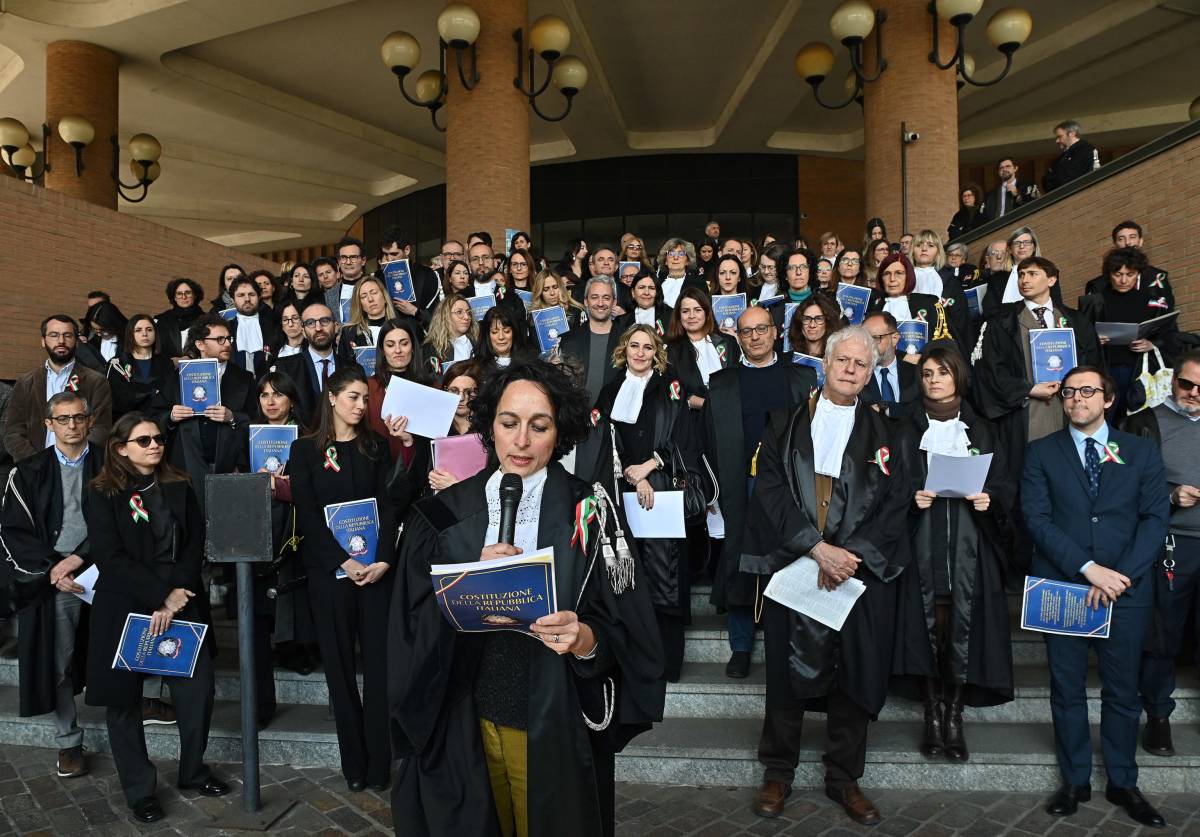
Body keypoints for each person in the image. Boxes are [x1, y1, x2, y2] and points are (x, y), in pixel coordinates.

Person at [387, 359, 665, 837]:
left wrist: (586, 640)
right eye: (508, 423)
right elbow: (407, 627)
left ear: (560, 433)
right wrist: (465, 585)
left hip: (553, 723)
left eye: (539, 426)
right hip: (463, 723)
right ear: (488, 423)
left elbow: (628, 626)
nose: (521, 442)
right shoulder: (442, 516)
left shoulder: (591, 511)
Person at [741, 325, 911, 825]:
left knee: (854, 675)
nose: (852, 370)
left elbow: (895, 505)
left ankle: (844, 778)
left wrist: (846, 556)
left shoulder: (889, 434)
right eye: (844, 362)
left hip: (854, 572)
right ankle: (778, 772)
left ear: (870, 372)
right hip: (796, 562)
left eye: (862, 365)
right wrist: (815, 548)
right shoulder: (783, 424)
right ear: (827, 363)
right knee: (784, 678)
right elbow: (769, 491)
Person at [1021, 366, 1170, 827]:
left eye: (1087, 391)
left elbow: (1154, 518)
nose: (1077, 399)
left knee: (1123, 691)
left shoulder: (1141, 452)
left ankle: (1124, 781)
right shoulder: (1040, 453)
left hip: (1125, 591)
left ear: (1107, 399)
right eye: (1069, 393)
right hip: (1064, 586)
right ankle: (1075, 780)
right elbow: (1037, 519)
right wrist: (1088, 570)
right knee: (1066, 688)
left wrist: (1118, 575)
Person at [85, 412, 228, 823]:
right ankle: (140, 789)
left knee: (198, 690)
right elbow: (109, 557)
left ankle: (193, 770)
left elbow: (196, 540)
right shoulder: (102, 492)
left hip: (181, 601)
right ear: (120, 447)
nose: (154, 446)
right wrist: (159, 596)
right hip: (125, 605)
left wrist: (175, 596)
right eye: (144, 440)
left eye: (158, 439)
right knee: (123, 704)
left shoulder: (179, 484)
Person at [892, 347, 1014, 762]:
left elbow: (1003, 481)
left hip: (969, 544)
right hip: (921, 541)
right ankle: (931, 713)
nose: (933, 380)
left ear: (958, 377)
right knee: (924, 625)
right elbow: (885, 482)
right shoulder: (903, 427)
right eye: (926, 373)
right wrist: (911, 498)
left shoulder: (982, 428)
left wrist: (989, 499)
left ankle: (955, 716)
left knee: (963, 628)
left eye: (942, 372)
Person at [288, 367, 396, 791]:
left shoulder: (374, 446)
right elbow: (308, 513)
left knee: (379, 670)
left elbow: (388, 506)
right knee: (339, 670)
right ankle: (354, 764)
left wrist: (383, 559)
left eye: (364, 398)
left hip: (375, 573)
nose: (359, 404)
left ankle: (378, 763)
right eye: (352, 396)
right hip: (329, 574)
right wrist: (342, 560)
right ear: (331, 398)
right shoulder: (304, 451)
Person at [705, 306, 818, 679]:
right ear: (737, 337)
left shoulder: (801, 378)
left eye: (761, 329)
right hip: (739, 485)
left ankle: (787, 643)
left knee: (791, 557)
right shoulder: (722, 382)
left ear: (776, 332)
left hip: (791, 485)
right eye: (746, 331)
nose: (754, 336)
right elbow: (707, 440)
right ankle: (740, 646)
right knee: (740, 561)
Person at [0, 392, 104, 780]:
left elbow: (126, 521)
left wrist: (83, 560)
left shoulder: (112, 463)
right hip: (57, 579)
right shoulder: (28, 471)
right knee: (59, 664)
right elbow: (13, 531)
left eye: (79, 417)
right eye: (63, 419)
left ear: (90, 420)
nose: (72, 425)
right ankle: (68, 742)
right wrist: (53, 571)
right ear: (49, 424)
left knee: (121, 654)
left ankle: (134, 725)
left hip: (107, 570)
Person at [591, 324, 699, 683]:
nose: (640, 352)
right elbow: (603, 444)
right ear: (624, 349)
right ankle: (635, 660)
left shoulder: (672, 387)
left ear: (656, 352)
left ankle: (668, 663)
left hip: (664, 489)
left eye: (647, 347)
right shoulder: (609, 392)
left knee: (665, 576)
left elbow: (684, 436)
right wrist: (631, 477)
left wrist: (651, 468)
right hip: (621, 493)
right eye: (634, 346)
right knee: (629, 575)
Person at [1123, 351, 1200, 758]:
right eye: (1186, 384)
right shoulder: (1143, 423)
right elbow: (1123, 488)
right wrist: (1170, 496)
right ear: (1172, 380)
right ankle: (1157, 715)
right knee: (1163, 633)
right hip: (1172, 542)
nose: (1193, 394)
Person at [251, 372, 320, 682]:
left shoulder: (308, 438)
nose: (271, 401)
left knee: (294, 589)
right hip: (258, 523)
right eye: (265, 395)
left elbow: (313, 487)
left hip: (295, 529)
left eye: (278, 394)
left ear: (291, 399)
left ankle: (296, 647)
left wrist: (280, 487)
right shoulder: (245, 436)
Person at [162, 315, 256, 510]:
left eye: (229, 339)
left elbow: (255, 421)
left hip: (227, 464)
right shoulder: (179, 374)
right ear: (200, 344)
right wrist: (171, 416)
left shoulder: (244, 378)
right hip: (185, 464)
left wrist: (232, 417)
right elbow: (155, 414)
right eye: (219, 340)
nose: (227, 344)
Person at [1079, 247, 1178, 422]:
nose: (1123, 280)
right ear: (1109, 274)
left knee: (1137, 420)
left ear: (1138, 274)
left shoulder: (1151, 298)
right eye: (1118, 274)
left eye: (1130, 274)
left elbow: (1169, 333)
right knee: (1103, 418)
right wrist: (1094, 340)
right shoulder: (1095, 300)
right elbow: (1081, 332)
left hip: (1138, 370)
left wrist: (1152, 344)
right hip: (1104, 369)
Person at [5, 315, 113, 464]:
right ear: (43, 341)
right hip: (35, 468)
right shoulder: (26, 382)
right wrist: (36, 462)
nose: (61, 341)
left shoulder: (97, 381)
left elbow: (101, 429)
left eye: (67, 335)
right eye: (54, 335)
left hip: (79, 466)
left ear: (76, 341)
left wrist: (72, 460)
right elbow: (13, 432)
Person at [366, 319, 432, 465]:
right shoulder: (369, 387)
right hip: (382, 468)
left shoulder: (431, 386)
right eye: (390, 345)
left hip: (425, 468)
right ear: (382, 350)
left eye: (404, 343)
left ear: (413, 347)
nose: (398, 350)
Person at [665, 287, 740, 411]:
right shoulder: (671, 350)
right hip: (691, 419)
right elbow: (673, 390)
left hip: (730, 413)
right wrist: (708, 405)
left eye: (697, 310)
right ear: (679, 316)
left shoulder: (729, 343)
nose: (691, 316)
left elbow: (738, 380)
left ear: (706, 312)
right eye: (685, 311)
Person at [272, 303, 344, 424]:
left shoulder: (352, 367)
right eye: (310, 323)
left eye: (325, 321)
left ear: (336, 326)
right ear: (303, 332)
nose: (318, 328)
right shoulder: (286, 368)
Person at [558, 276, 623, 407]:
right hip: (577, 418)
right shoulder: (568, 339)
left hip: (616, 418)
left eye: (606, 298)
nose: (600, 303)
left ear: (614, 302)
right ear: (586, 301)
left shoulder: (626, 340)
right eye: (594, 297)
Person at [1083, 221, 1175, 309]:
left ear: (1140, 241)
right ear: (1115, 245)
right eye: (1121, 239)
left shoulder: (1158, 277)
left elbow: (1168, 312)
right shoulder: (1098, 285)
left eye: (1132, 237)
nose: (1127, 242)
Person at [426, 360, 483, 494]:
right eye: (454, 391)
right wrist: (407, 441)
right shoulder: (433, 429)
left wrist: (456, 486)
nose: (461, 397)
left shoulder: (489, 433)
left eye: (469, 392)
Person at [980, 227, 1064, 318]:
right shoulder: (997, 278)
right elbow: (989, 310)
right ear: (1010, 249)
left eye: (1027, 242)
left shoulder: (1049, 272)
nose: (1022, 246)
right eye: (1017, 243)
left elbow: (1056, 304)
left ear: (1034, 247)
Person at [106, 315, 171, 423]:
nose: (145, 334)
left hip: (160, 422)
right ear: (131, 334)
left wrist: (139, 392)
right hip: (127, 424)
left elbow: (169, 397)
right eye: (138, 330)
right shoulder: (117, 364)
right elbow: (118, 401)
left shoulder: (166, 362)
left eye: (149, 329)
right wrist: (153, 392)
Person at [861, 311, 921, 419]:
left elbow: (921, 411)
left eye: (875, 338)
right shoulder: (857, 376)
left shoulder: (917, 373)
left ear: (895, 338)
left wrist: (888, 408)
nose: (868, 345)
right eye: (865, 340)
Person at [337, 275, 398, 366]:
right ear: (359, 304)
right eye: (364, 296)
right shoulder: (349, 333)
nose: (370, 299)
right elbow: (344, 370)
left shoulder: (403, 327)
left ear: (384, 297)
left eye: (373, 293)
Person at [225, 276, 278, 375]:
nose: (247, 299)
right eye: (241, 295)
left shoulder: (273, 326)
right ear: (233, 300)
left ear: (259, 297)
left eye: (251, 294)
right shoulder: (226, 329)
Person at [423, 294, 478, 376]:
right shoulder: (431, 349)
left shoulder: (478, 343)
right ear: (445, 316)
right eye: (459, 312)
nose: (466, 317)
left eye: (469, 313)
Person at [477, 305, 537, 378]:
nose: (501, 337)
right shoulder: (478, 369)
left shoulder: (530, 364)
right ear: (487, 335)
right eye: (494, 332)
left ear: (514, 333)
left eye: (507, 331)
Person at [153, 278, 205, 359]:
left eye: (188, 293)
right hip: (167, 367)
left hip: (197, 368)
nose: (184, 297)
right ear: (174, 298)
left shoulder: (205, 319)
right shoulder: (163, 320)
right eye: (179, 293)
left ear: (195, 295)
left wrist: (189, 356)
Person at [1043, 120, 1098, 193]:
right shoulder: (1060, 158)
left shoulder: (1086, 149)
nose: (1057, 141)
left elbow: (1072, 176)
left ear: (1072, 134)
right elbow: (1047, 181)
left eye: (1060, 137)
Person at [979, 157, 1040, 222]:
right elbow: (982, 214)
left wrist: (1017, 195)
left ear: (1015, 168)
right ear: (998, 172)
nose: (1004, 169)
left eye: (1008, 166)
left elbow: (1036, 204)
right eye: (1001, 168)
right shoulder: (990, 195)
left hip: (1020, 226)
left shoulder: (1028, 186)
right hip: (997, 229)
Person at [787, 294, 844, 360]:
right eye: (807, 319)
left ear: (828, 323)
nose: (812, 325)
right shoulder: (788, 359)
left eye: (819, 318)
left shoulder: (837, 359)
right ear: (799, 323)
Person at [325, 238, 369, 315]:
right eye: (344, 258)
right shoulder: (329, 295)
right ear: (339, 261)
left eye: (353, 257)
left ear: (363, 261)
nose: (348, 262)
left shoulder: (376, 288)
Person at [654, 239, 704, 307]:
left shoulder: (698, 284)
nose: (676, 257)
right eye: (671, 253)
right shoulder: (655, 284)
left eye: (681, 254)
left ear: (687, 261)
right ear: (665, 260)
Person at [626, 272, 671, 336]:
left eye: (651, 288)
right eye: (641, 287)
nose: (646, 293)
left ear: (657, 292)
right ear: (633, 292)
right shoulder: (621, 321)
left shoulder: (671, 317)